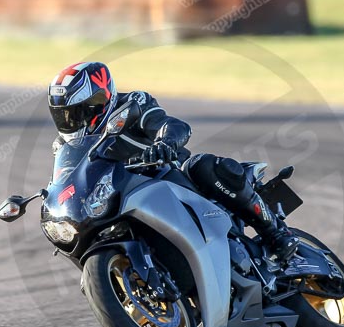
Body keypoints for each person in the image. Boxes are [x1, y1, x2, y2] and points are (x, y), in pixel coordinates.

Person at [48, 61, 300, 261]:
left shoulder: (132, 105)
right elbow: (67, 181)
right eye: (65, 116)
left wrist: (164, 144)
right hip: (124, 198)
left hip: (169, 177)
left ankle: (276, 233)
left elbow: (173, 126)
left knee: (202, 166)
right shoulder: (64, 146)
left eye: (79, 112)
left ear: (99, 101)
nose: (72, 121)